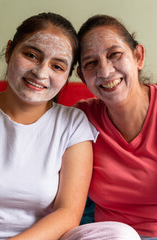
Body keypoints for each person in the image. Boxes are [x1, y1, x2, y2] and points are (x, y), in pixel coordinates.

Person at [0, 12, 99, 240]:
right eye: (32, 55)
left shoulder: (73, 123)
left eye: (58, 66)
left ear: (68, 75)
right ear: (9, 50)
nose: (41, 72)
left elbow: (68, 213)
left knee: (118, 234)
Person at [67, 14, 156, 240]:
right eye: (91, 63)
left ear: (138, 56)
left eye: (115, 54)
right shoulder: (81, 118)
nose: (105, 72)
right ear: (81, 76)